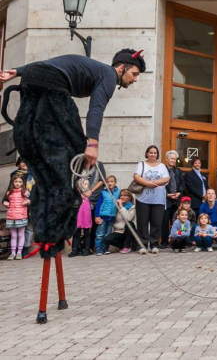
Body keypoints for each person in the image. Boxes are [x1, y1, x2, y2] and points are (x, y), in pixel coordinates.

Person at [0, 49, 144, 263]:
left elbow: (48, 61)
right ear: (121, 67)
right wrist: (92, 143)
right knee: (75, 146)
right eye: (134, 74)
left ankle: (45, 218)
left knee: (37, 152)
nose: (134, 80)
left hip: (31, 80)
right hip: (52, 85)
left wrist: (17, 71)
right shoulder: (108, 75)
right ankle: (54, 230)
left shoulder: (91, 68)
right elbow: (96, 109)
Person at [132, 145, 170, 254]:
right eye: (151, 152)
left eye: (155, 153)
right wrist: (147, 183)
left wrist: (155, 183)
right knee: (142, 223)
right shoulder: (141, 164)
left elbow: (167, 179)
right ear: (147, 153)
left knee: (156, 223)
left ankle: (154, 245)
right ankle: (142, 245)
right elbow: (136, 177)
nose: (153, 154)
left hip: (158, 199)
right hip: (143, 199)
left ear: (157, 154)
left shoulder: (162, 166)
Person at [3, 174, 30, 260]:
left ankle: (19, 252)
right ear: (12, 182)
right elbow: (4, 200)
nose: (17, 183)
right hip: (11, 217)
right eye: (16, 181)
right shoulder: (9, 193)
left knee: (21, 235)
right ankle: (13, 252)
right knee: (13, 236)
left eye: (20, 182)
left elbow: (32, 199)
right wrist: (5, 203)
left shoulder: (25, 192)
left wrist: (28, 201)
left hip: (21, 216)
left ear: (23, 183)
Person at [162, 150, 185, 249]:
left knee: (176, 222)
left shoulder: (178, 171)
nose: (173, 160)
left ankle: (175, 241)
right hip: (166, 200)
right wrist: (167, 194)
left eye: (175, 159)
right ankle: (164, 242)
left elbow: (182, 183)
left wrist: (179, 192)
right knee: (165, 222)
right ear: (166, 159)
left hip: (176, 200)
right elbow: (159, 184)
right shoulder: (162, 170)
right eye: (171, 158)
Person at [103, 190, 136, 254]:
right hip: (119, 231)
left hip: (128, 232)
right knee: (106, 239)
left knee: (129, 224)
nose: (122, 197)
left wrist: (121, 206)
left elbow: (128, 218)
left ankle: (127, 246)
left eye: (125, 195)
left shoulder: (132, 207)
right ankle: (123, 245)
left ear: (129, 198)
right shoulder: (116, 208)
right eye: (121, 195)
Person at [93, 175, 119, 255]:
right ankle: (98, 248)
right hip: (103, 216)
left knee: (108, 234)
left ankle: (105, 247)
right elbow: (98, 205)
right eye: (107, 182)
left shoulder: (118, 192)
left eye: (111, 181)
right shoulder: (103, 193)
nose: (109, 183)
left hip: (112, 217)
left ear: (115, 183)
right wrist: (97, 215)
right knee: (100, 233)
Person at [70, 178, 92, 257]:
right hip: (78, 215)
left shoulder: (89, 195)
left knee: (86, 233)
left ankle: (87, 249)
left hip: (86, 215)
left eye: (86, 184)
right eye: (83, 184)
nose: (85, 186)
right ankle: (74, 250)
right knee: (76, 233)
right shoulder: (75, 195)